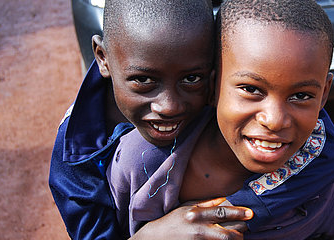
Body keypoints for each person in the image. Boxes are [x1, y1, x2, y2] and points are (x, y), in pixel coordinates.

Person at [107, 0, 334, 239]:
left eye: (301, 95)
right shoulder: (140, 163)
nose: (274, 120)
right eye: (251, 89)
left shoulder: (331, 178)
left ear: (324, 93)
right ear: (213, 84)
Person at [48, 0, 253, 239]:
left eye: (191, 79)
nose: (168, 106)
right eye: (144, 81)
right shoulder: (75, 153)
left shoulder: (228, 90)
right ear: (103, 58)